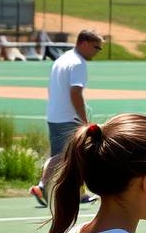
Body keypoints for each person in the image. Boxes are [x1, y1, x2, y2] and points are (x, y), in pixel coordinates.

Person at [31, 29, 103, 208]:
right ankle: (42, 186)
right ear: (84, 43)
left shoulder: (62, 59)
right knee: (65, 155)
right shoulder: (78, 63)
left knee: (72, 155)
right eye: (96, 47)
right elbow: (75, 92)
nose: (97, 51)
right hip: (69, 117)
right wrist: (84, 120)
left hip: (55, 114)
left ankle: (79, 193)